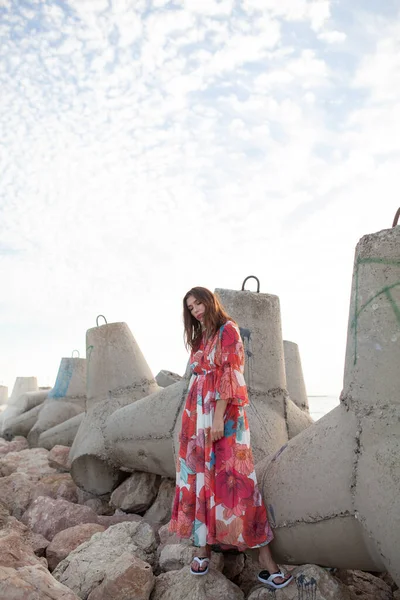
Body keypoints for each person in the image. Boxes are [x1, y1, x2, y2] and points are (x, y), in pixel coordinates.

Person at [169, 286, 293, 590]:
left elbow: (231, 373)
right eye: (191, 307)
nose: (196, 310)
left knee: (238, 480)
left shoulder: (228, 330)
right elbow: (199, 376)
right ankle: (204, 548)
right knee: (201, 478)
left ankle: (265, 559)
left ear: (210, 302)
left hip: (220, 414)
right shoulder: (203, 337)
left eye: (199, 303)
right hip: (197, 415)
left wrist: (217, 416)